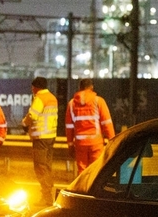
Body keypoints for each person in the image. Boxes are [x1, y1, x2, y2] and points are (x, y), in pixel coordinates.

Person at [65, 78, 115, 174]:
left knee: (82, 171)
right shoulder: (98, 101)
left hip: (80, 143)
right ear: (92, 87)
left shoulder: (71, 104)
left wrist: (70, 144)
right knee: (96, 170)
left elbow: (69, 126)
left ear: (80, 88)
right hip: (95, 143)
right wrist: (112, 141)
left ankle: (83, 188)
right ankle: (94, 188)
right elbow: (107, 123)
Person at [22, 76, 59, 205]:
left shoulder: (40, 98)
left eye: (33, 87)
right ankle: (50, 193)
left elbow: (32, 115)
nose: (32, 89)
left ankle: (46, 196)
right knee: (47, 166)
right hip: (51, 136)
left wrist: (24, 123)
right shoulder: (52, 98)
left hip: (40, 137)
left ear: (36, 87)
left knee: (40, 167)